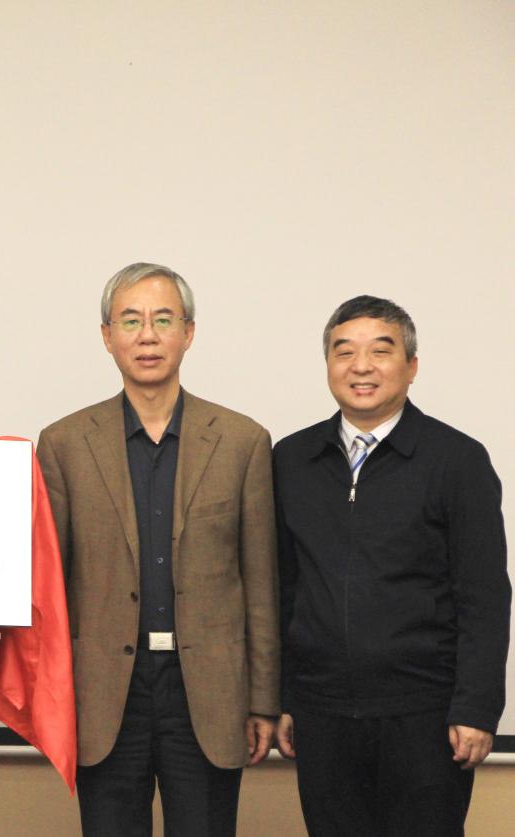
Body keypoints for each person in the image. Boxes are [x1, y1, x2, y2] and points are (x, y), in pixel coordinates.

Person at [37, 262, 279, 836]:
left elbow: (261, 583)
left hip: (206, 693)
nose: (147, 335)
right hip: (104, 695)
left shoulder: (242, 442)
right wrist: (51, 700)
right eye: (131, 320)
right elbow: (49, 587)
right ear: (107, 336)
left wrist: (263, 700)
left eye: (163, 319)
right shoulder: (64, 444)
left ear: (188, 333)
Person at [274, 296, 510, 836]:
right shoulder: (292, 459)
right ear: (328, 364)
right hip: (322, 714)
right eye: (344, 352)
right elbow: (283, 589)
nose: (361, 367)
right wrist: (284, 697)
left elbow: (483, 597)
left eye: (380, 351)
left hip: (424, 715)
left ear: (412, 366)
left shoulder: (457, 459)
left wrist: (475, 708)